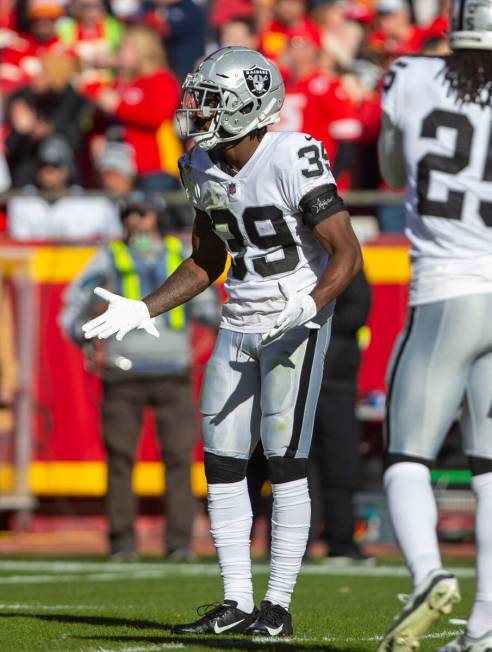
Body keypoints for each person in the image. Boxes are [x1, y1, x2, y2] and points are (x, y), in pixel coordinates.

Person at [82, 46, 362, 637]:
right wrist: (144, 306)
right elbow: (209, 258)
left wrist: (308, 304)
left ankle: (278, 607)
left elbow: (347, 253)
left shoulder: (293, 154)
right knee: (223, 462)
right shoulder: (199, 165)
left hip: (295, 321)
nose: (197, 113)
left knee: (285, 462)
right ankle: (236, 600)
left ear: (249, 103)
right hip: (238, 321)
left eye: (210, 102)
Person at [377, 2, 492, 650]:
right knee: (490, 467)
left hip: (448, 292)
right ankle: (485, 629)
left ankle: (427, 576)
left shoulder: (411, 77)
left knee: (406, 455)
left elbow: (394, 173)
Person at [60, 190, 220, 560]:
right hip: (123, 373)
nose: (136, 220)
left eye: (143, 212)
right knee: (120, 459)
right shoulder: (109, 256)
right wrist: (83, 337)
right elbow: (74, 303)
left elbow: (209, 309)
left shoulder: (181, 254)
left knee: (180, 458)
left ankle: (179, 542)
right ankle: (122, 543)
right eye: (129, 213)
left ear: (158, 216)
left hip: (173, 371)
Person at [309, 269, 373, 564]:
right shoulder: (301, 259)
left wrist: (312, 309)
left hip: (337, 383)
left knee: (341, 465)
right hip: (302, 380)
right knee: (296, 466)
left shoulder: (348, 262)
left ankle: (342, 540)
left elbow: (357, 312)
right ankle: (295, 543)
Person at [95, 25, 182, 191]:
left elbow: (156, 115)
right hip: (119, 169)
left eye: (125, 46)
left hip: (155, 166)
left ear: (142, 50)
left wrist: (118, 106)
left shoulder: (161, 79)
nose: (119, 51)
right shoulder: (119, 83)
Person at [7, 135, 121, 240]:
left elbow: (114, 241)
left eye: (55, 165)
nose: (48, 171)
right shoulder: (22, 202)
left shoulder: (93, 204)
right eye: (43, 165)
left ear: (67, 170)